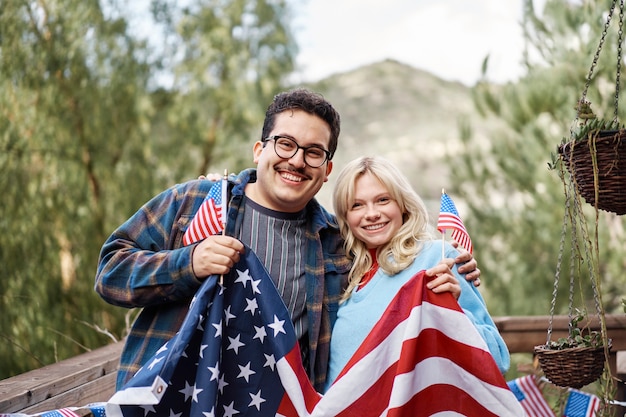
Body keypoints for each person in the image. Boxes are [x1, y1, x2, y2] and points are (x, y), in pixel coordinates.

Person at [95, 88, 481, 393]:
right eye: (285, 144)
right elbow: (110, 271)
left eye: (313, 152)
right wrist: (188, 262)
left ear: (326, 169)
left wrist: (452, 281)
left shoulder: (334, 242)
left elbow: (387, 287)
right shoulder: (193, 202)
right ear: (260, 149)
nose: (297, 160)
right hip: (171, 400)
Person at [324, 156, 509, 391]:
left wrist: (455, 312)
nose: (371, 213)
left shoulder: (436, 258)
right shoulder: (341, 272)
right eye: (357, 205)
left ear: (402, 203)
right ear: (345, 216)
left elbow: (497, 359)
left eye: (382, 200)